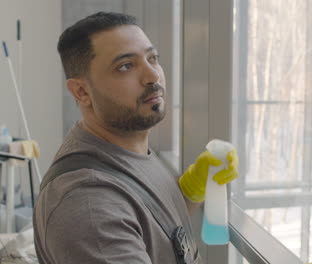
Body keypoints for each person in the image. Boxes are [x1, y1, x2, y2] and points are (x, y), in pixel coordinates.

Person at [33, 12, 238, 264]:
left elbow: (152, 229)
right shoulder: (88, 202)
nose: (152, 75)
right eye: (126, 66)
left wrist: (190, 192)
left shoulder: (128, 151)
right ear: (82, 91)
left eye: (152, 58)